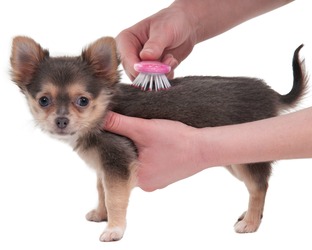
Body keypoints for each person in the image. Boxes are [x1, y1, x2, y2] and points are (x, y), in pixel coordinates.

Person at [105, 0, 312, 192]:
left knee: (251, 171)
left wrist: (200, 150)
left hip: (251, 100)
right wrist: (187, 15)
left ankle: (256, 202)